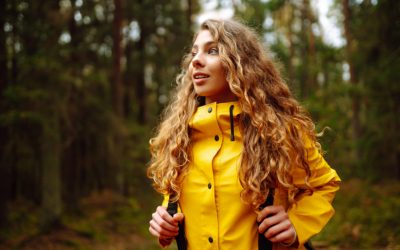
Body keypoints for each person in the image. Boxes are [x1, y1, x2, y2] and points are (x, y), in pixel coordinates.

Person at [147, 18, 341, 250]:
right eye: (194, 53)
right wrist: (166, 221)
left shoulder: (280, 131)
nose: (196, 61)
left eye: (213, 51)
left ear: (241, 63)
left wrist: (296, 225)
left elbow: (324, 184)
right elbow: (178, 201)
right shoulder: (179, 138)